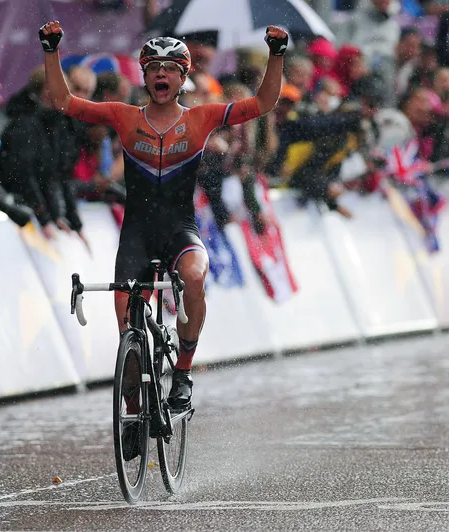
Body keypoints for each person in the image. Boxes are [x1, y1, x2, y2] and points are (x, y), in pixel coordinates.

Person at [39, 20, 287, 413]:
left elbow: (265, 103)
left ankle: (184, 373)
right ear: (144, 75)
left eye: (170, 68)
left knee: (193, 275)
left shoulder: (201, 118)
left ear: (182, 76)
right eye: (154, 67)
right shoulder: (124, 116)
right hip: (135, 236)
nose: (161, 74)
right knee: (129, 345)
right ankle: (135, 412)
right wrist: (51, 52)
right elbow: (63, 102)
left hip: (179, 230)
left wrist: (276, 56)